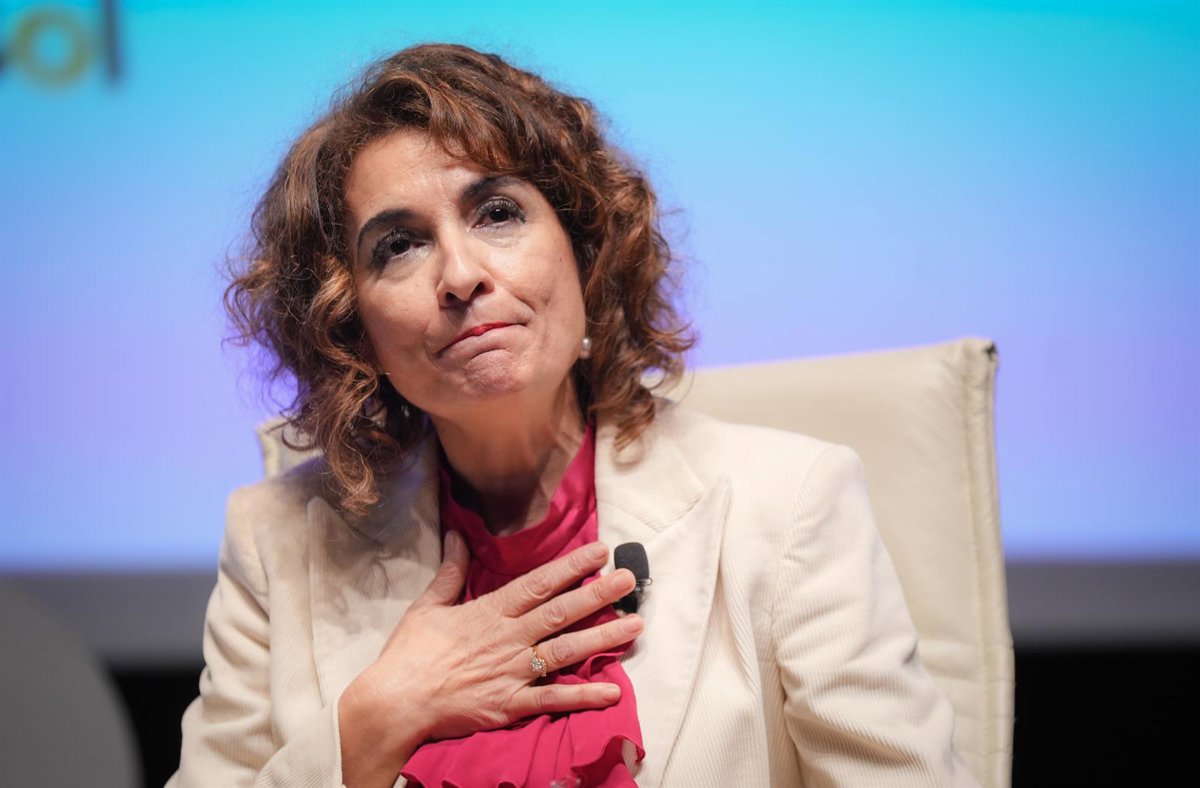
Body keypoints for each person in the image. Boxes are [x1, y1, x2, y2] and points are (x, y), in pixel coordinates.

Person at [170, 43, 975, 787]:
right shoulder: (274, 540)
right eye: (398, 246)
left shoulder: (789, 503)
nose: (460, 274)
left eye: (497, 213)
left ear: (586, 254)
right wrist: (373, 723)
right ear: (353, 330)